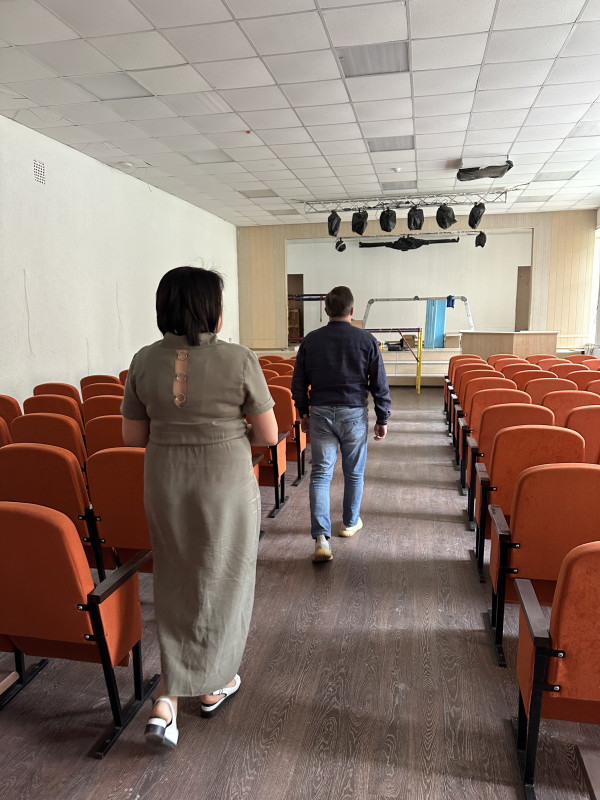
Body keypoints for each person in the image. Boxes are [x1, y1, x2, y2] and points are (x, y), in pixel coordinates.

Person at [121, 266, 278, 748]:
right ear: (213, 310)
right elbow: (269, 435)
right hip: (225, 484)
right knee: (225, 579)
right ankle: (212, 686)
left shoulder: (143, 361)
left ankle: (167, 700)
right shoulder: (240, 359)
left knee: (175, 580)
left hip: (165, 482)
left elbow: (132, 438)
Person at [291, 285, 391, 563]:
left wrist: (303, 412)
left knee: (320, 475)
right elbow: (379, 383)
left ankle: (321, 539)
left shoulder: (310, 340)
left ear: (326, 310)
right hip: (353, 413)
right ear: (352, 310)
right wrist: (382, 417)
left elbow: (298, 382)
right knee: (354, 473)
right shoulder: (366, 340)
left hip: (321, 412)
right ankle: (349, 523)